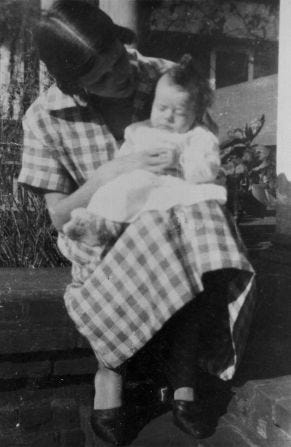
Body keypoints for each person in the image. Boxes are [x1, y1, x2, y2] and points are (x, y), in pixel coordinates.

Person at [18, 1, 255, 445]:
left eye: (118, 59)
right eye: (102, 77)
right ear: (73, 85)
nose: (120, 77)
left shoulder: (169, 78)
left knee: (190, 232)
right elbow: (60, 215)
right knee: (146, 238)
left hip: (175, 223)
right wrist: (114, 171)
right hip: (103, 235)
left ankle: (183, 379)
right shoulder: (44, 118)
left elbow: (208, 158)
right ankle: (109, 372)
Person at [62, 54, 226, 251]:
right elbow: (122, 160)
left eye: (180, 113)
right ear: (153, 103)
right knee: (113, 191)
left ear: (195, 115)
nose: (168, 117)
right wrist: (126, 167)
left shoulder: (198, 136)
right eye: (161, 108)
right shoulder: (139, 130)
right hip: (136, 186)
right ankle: (96, 225)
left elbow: (207, 169)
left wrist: (180, 160)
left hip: (173, 190)